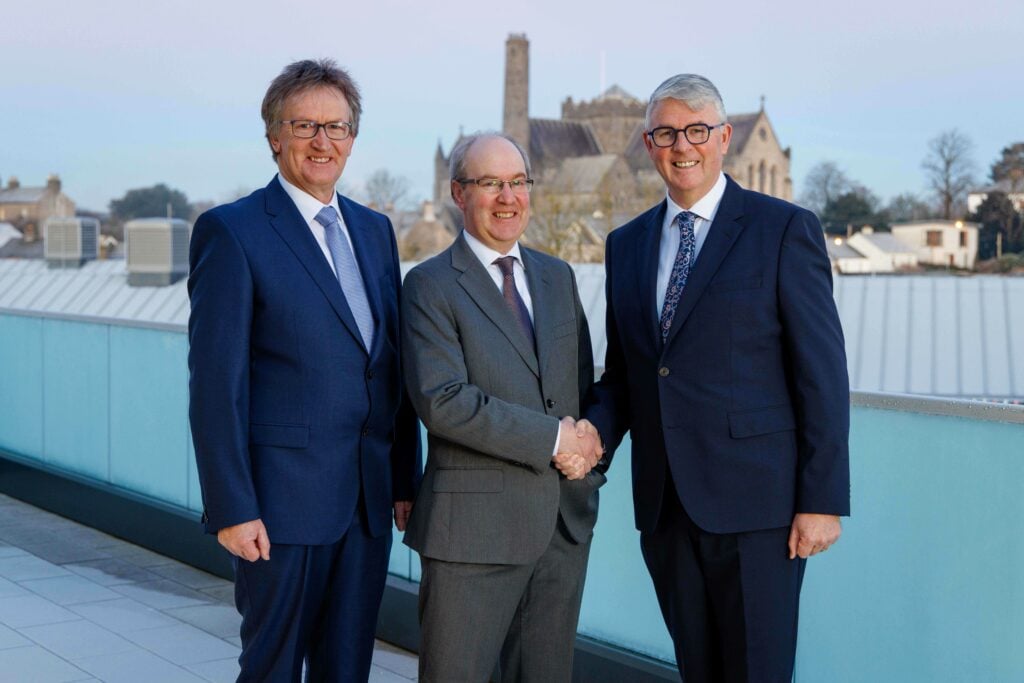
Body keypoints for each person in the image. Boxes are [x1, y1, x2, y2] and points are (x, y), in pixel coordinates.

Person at [584, 74, 850, 682]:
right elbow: (627, 374)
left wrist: (822, 499)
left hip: (761, 514)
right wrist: (589, 438)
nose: (683, 146)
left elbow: (822, 375)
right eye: (666, 133)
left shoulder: (783, 228)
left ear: (725, 137)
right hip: (666, 509)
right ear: (648, 144)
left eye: (697, 130)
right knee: (698, 671)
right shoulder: (625, 245)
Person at [187, 58, 420, 682]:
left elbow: (388, 365)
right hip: (279, 507)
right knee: (272, 668)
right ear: (274, 136)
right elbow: (216, 387)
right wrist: (231, 508)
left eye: (337, 127)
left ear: (352, 138)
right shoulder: (231, 232)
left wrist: (404, 478)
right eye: (305, 125)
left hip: (366, 505)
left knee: (347, 670)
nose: (323, 141)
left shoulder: (374, 231)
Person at [401, 132, 604, 682]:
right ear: (458, 193)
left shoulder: (557, 277)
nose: (508, 197)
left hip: (561, 527)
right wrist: (558, 441)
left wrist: (589, 454)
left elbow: (580, 387)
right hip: (473, 535)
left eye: (518, 182)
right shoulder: (429, 286)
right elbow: (443, 401)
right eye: (491, 183)